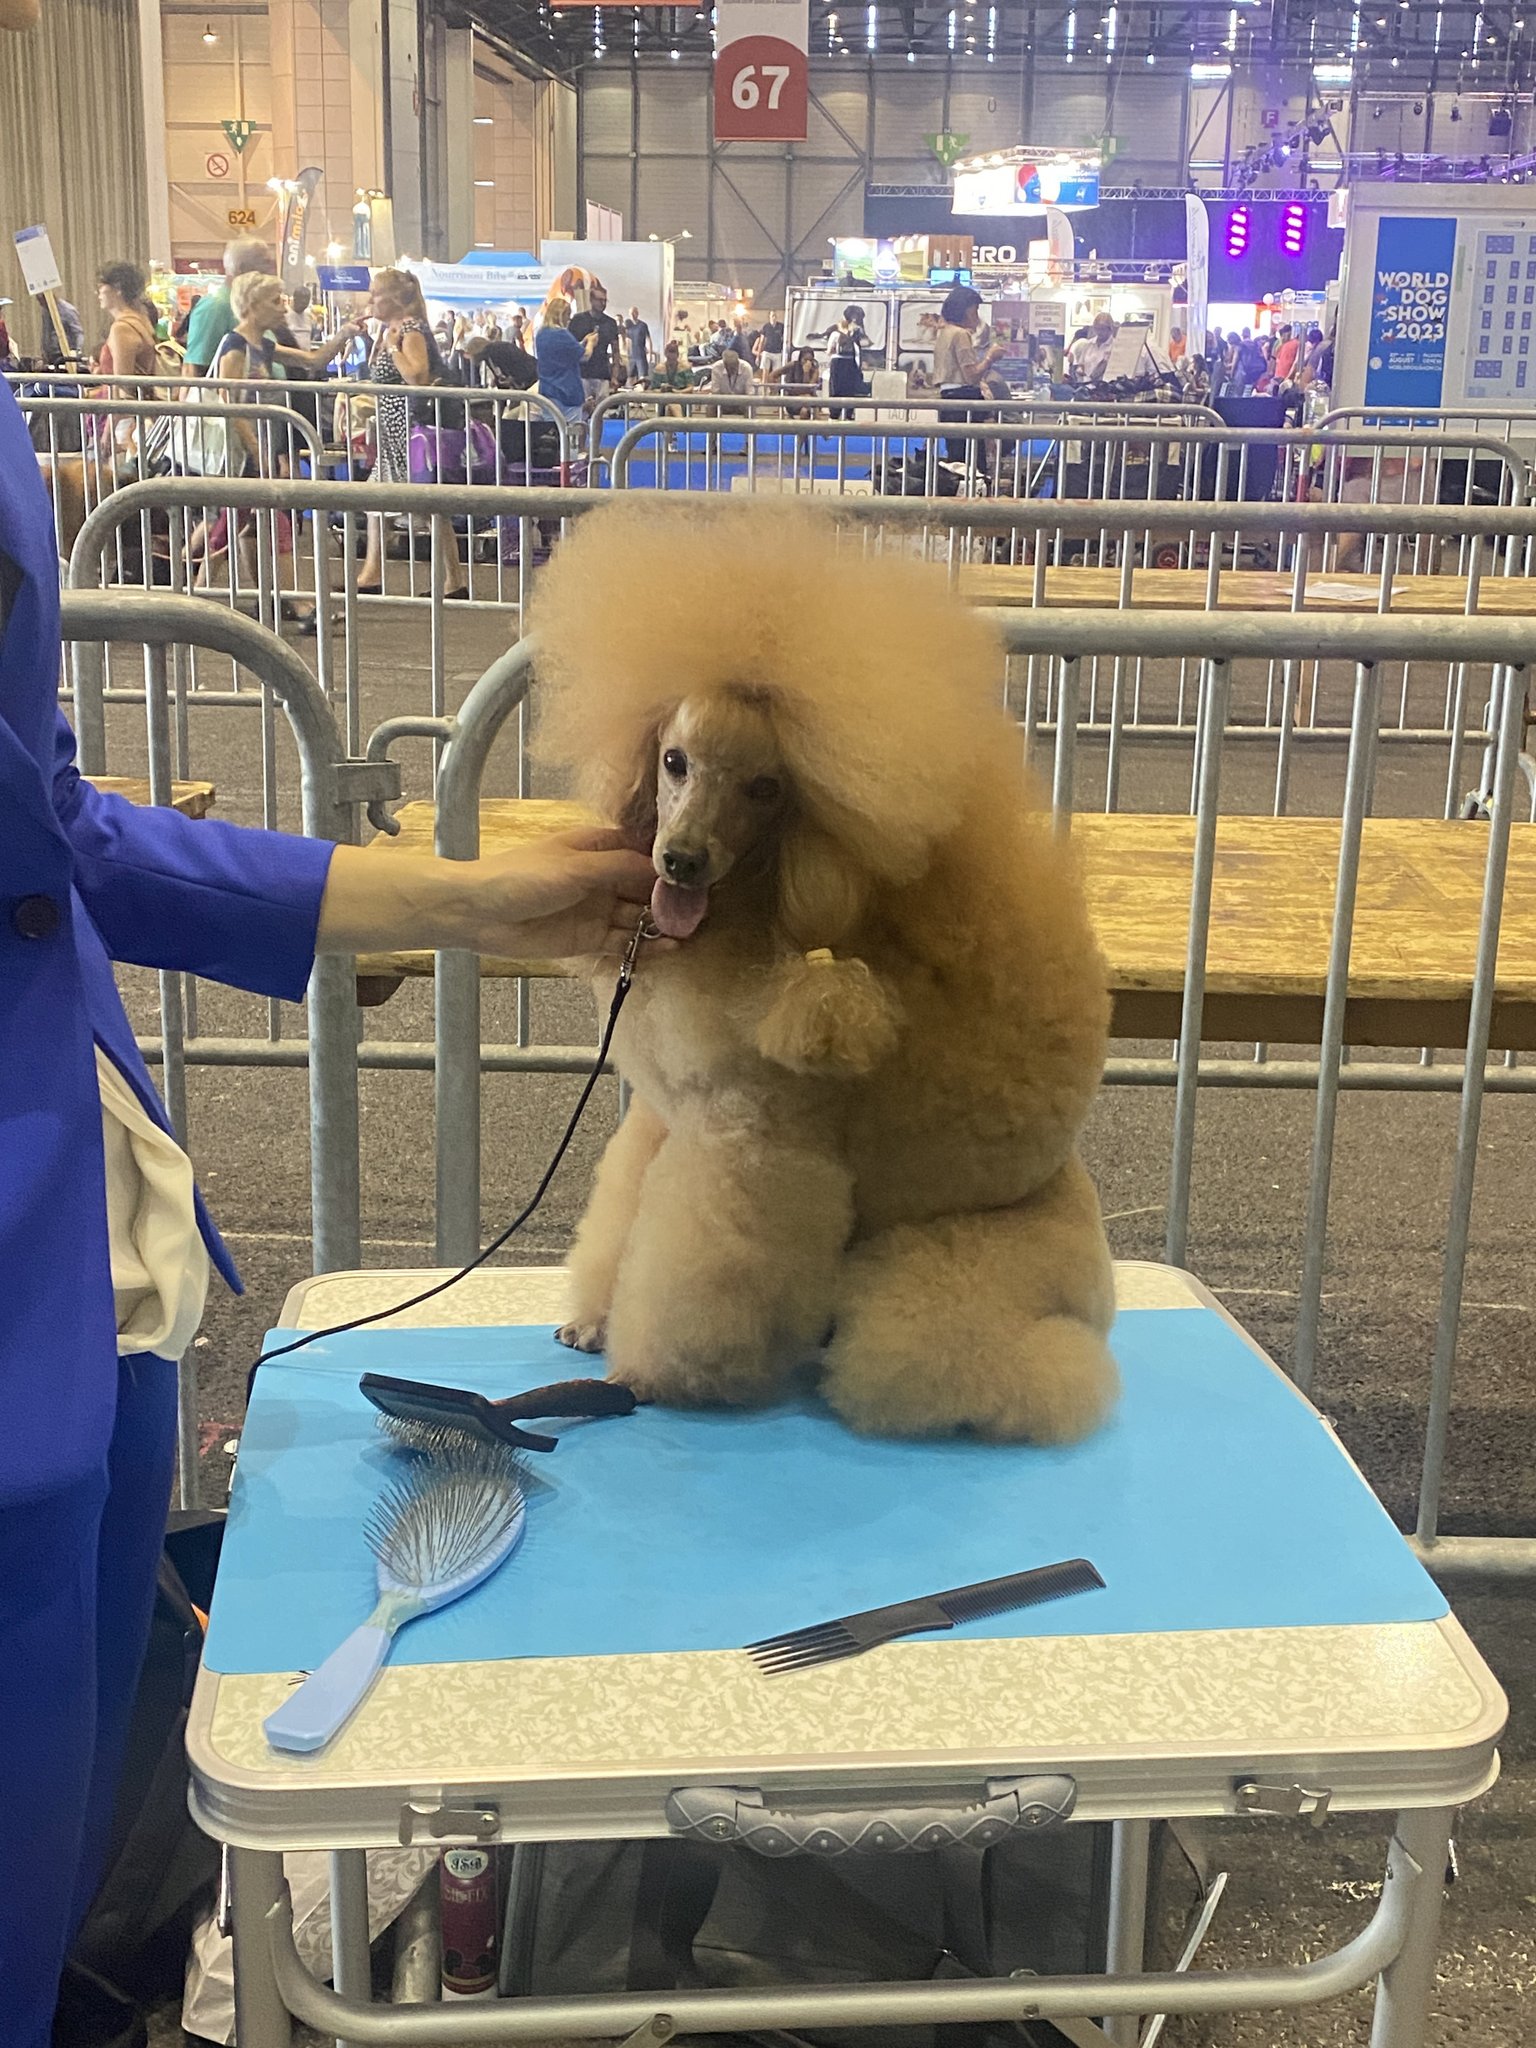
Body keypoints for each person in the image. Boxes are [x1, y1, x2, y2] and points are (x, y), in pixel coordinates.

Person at [357, 267, 466, 597]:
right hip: (393, 431)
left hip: (410, 431)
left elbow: (418, 376)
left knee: (426, 502)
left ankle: (454, 580)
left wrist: (392, 348)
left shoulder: (410, 330)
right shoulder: (392, 330)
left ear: (393, 298)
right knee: (378, 498)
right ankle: (372, 573)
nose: (370, 300)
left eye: (375, 294)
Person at [931, 284, 1002, 458]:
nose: (977, 316)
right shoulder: (960, 334)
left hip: (947, 399)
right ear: (966, 310)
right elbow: (971, 376)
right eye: (975, 310)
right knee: (972, 458)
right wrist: (990, 358)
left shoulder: (943, 333)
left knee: (956, 455)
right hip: (963, 399)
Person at [184, 235, 270, 374]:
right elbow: (195, 368)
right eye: (264, 263)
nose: (270, 270)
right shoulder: (214, 307)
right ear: (242, 268)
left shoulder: (251, 303)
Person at [536, 293, 588, 429]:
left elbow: (566, 351)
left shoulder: (541, 334)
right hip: (567, 391)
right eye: (568, 315)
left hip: (547, 391)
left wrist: (582, 343)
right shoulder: (562, 334)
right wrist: (591, 343)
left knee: (551, 431)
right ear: (561, 315)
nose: (569, 319)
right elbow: (585, 356)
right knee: (572, 432)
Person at [569, 280, 620, 410]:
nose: (603, 304)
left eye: (605, 301)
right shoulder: (578, 320)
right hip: (582, 373)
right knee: (581, 410)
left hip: (602, 373)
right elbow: (570, 347)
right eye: (599, 300)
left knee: (600, 411)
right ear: (591, 300)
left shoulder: (611, 323)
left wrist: (614, 376)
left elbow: (615, 350)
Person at [826, 302, 867, 419]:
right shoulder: (854, 333)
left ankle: (836, 415)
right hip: (848, 364)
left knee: (837, 391)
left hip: (839, 364)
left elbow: (829, 351)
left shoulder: (836, 334)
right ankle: (847, 415)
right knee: (847, 391)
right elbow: (858, 350)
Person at [625, 305, 651, 382]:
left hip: (640, 355)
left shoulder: (642, 325)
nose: (632, 315)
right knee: (630, 377)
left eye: (634, 313)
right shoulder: (628, 326)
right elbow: (626, 340)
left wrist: (650, 353)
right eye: (631, 313)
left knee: (642, 377)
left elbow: (648, 339)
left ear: (637, 313)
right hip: (631, 356)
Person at [756, 310, 785, 378]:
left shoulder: (781, 326)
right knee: (765, 372)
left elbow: (784, 338)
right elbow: (761, 341)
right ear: (769, 317)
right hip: (767, 351)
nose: (774, 317)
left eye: (775, 316)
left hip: (777, 352)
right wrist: (758, 355)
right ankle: (764, 385)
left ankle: (775, 385)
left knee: (776, 374)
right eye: (772, 316)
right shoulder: (766, 326)